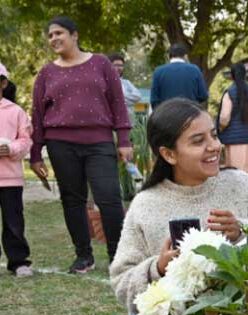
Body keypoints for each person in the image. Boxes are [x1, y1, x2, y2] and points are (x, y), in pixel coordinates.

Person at [110, 98, 248, 315]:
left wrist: (243, 233)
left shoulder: (242, 185)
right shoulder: (145, 205)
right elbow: (121, 283)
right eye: (198, 141)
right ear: (169, 154)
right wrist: (158, 268)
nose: (214, 146)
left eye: (213, 135)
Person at [30, 16, 132, 273]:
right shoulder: (46, 73)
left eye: (58, 33)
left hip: (99, 141)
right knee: (72, 200)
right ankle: (83, 256)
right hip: (60, 143)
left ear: (75, 35)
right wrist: (35, 155)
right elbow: (37, 115)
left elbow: (118, 103)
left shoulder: (101, 64)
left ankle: (117, 255)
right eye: (50, 35)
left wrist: (124, 139)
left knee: (108, 197)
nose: (53, 38)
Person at [0, 62, 33, 277]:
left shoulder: (15, 111)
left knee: (13, 223)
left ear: (3, 83)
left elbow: (26, 140)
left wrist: (10, 148)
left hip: (10, 180)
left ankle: (18, 261)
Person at [218, 62, 248, 174]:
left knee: (235, 175)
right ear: (245, 74)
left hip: (235, 141)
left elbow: (224, 118)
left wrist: (220, 129)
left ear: (232, 76)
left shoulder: (230, 93)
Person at [150, 43, 208, 109]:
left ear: (169, 56)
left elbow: (154, 99)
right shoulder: (195, 70)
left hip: (166, 114)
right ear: (185, 56)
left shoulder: (158, 71)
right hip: (189, 113)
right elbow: (203, 96)